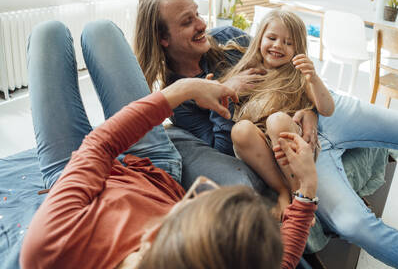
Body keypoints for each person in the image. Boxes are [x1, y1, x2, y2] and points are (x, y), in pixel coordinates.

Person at [134, 0, 398, 269]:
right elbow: (224, 149)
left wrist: (311, 109)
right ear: (163, 38)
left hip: (326, 111)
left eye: (197, 13)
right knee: (355, 226)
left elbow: (289, 55)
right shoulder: (179, 99)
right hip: (293, 144)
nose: (201, 24)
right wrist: (224, 98)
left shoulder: (229, 35)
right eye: (187, 21)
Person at [20, 20, 319, 269]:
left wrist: (181, 90)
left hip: (69, 172)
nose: (191, 197)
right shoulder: (234, 45)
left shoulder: (49, 247)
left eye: (186, 213)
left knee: (50, 33)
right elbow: (284, 262)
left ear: (152, 239)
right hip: (155, 170)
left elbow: (99, 145)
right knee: (99, 31)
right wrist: (307, 188)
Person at [216, 10, 334, 219]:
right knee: (240, 129)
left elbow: (327, 108)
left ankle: (300, 193)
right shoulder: (248, 72)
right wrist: (218, 87)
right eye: (272, 38)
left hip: (293, 146)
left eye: (288, 43)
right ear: (260, 38)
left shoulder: (298, 76)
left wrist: (313, 78)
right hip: (260, 149)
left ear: (298, 48)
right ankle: (283, 190)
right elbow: (221, 99)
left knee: (277, 120)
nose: (278, 46)